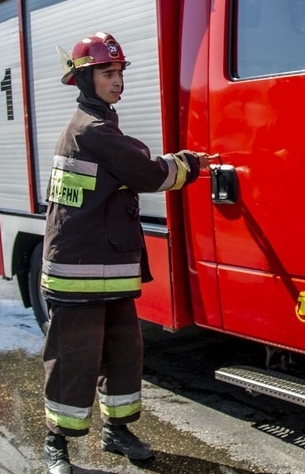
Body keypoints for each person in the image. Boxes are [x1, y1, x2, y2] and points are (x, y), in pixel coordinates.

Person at [41, 32, 208, 474]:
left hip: (108, 262)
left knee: (123, 352)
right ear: (83, 80)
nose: (117, 81)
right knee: (74, 357)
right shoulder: (92, 131)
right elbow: (150, 173)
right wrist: (191, 163)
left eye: (118, 73)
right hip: (78, 269)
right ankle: (55, 443)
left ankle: (118, 431)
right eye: (106, 73)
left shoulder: (100, 126)